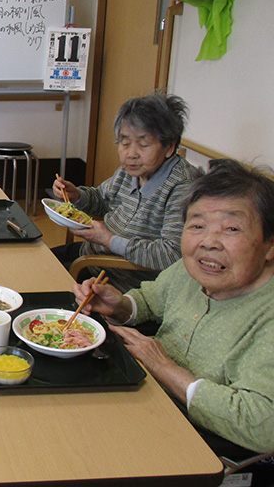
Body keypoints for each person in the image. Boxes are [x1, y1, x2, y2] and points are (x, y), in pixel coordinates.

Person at [72, 160, 274, 454]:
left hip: (198, 446)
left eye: (231, 228)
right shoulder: (193, 270)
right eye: (197, 225)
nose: (209, 242)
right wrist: (120, 305)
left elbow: (261, 427)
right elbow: (151, 299)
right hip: (143, 398)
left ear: (269, 245)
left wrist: (164, 367)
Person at [52, 94, 202, 292]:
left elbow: (172, 255)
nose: (131, 153)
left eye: (143, 144)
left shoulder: (183, 187)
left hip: (121, 281)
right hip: (94, 256)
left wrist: (109, 240)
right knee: (32, 260)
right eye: (124, 143)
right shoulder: (131, 170)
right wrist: (77, 195)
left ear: (169, 147)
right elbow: (101, 199)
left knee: (40, 284)